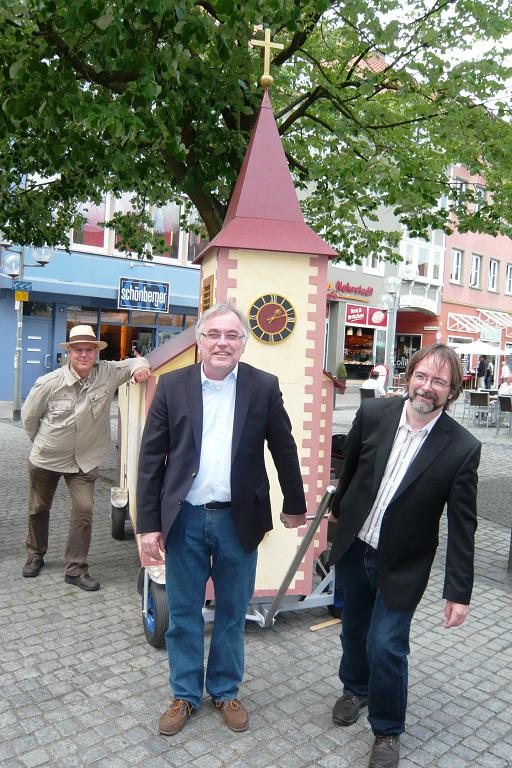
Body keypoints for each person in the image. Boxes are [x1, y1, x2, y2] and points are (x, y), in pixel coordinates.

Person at [136, 302, 306, 737]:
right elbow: (151, 459)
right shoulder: (172, 386)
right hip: (185, 519)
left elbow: (283, 448)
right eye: (214, 334)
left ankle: (226, 689)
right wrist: (147, 524)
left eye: (232, 335)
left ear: (243, 343)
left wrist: (294, 503)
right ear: (199, 340)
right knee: (185, 613)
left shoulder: (262, 386)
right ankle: (185, 694)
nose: (222, 343)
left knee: (232, 611)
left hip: (238, 521)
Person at [329, 344, 481, 768]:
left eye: (439, 382)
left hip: (404, 565)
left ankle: (387, 730)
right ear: (409, 376)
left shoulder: (462, 448)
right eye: (422, 376)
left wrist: (459, 592)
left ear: (452, 391)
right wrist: (339, 519)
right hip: (356, 547)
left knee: (388, 646)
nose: (427, 387)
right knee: (353, 631)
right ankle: (355, 689)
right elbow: (352, 468)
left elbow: (463, 526)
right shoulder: (375, 414)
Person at [21, 324, 151, 590]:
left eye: (89, 350)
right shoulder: (49, 383)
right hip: (47, 458)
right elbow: (29, 419)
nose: (83, 355)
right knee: (38, 508)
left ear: (96, 352)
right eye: (78, 350)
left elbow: (136, 360)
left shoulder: (108, 374)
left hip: (85, 461)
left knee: (84, 510)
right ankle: (35, 554)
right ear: (69, 352)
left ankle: (75, 568)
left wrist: (140, 367)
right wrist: (42, 444)